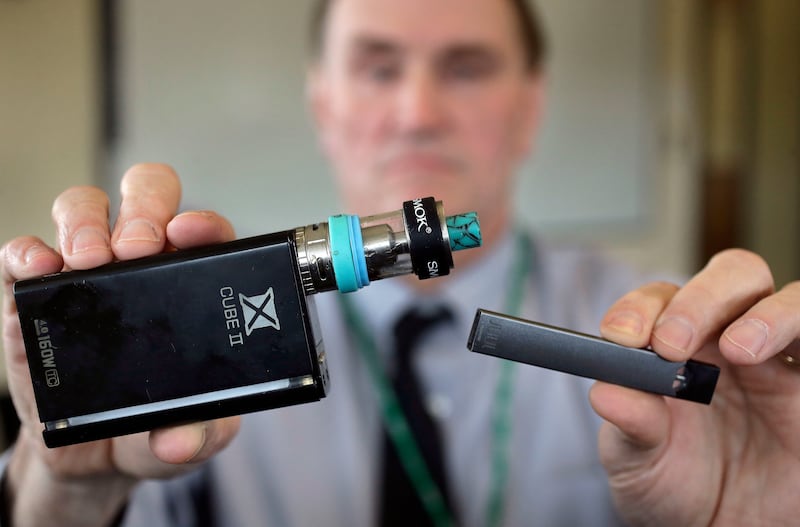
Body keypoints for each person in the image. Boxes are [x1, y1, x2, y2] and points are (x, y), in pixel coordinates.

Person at [2, 0, 799, 525]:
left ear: (531, 106)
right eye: (379, 66)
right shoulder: (192, 366)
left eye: (467, 67)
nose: (418, 113)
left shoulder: (659, 340)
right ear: (324, 105)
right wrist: (64, 493)